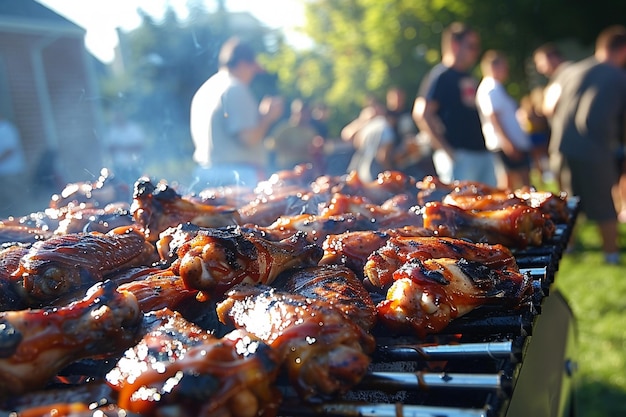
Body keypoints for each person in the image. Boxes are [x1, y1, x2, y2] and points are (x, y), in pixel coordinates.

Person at [545, 25, 626, 264]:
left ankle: (567, 247)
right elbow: (599, 119)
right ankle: (611, 254)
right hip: (593, 149)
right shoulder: (617, 76)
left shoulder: (570, 70)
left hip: (561, 146)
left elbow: (550, 106)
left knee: (568, 204)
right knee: (604, 205)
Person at [190, 37, 284, 189]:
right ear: (242, 64)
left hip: (207, 173)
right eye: (253, 69)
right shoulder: (235, 89)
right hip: (238, 177)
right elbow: (247, 138)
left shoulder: (205, 89)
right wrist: (267, 117)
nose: (253, 75)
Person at [412, 22, 497, 186]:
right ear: (454, 45)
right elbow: (421, 113)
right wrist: (447, 151)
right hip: (460, 156)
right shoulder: (441, 76)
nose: (476, 51)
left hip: (482, 153)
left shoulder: (468, 76)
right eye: (471, 46)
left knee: (491, 206)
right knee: (460, 209)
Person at [476, 50, 532, 190]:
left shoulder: (495, 87)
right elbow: (493, 116)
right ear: (493, 66)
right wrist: (508, 143)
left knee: (518, 183)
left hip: (509, 143)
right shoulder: (491, 88)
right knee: (510, 185)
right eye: (504, 66)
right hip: (507, 144)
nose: (506, 70)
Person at [386, 87, 435, 179]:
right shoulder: (387, 115)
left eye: (400, 97)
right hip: (395, 152)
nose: (399, 100)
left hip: (413, 153)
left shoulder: (408, 112)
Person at [343, 98, 395, 182]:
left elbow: (356, 143)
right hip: (376, 176)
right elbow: (383, 156)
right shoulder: (385, 127)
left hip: (358, 174)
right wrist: (391, 176)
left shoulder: (366, 128)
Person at [266, 98, 322, 172]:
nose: (304, 116)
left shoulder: (310, 131)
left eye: (306, 113)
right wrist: (291, 148)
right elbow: (270, 145)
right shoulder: (284, 129)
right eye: (302, 112)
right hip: (287, 167)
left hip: (306, 167)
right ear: (294, 112)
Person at [517, 88, 552, 184]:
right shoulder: (529, 110)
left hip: (541, 136)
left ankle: (545, 177)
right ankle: (542, 178)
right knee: (538, 159)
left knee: (543, 158)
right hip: (535, 137)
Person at [103, 110, 146, 188]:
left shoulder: (133, 128)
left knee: (137, 185)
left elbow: (140, 145)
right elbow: (110, 147)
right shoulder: (113, 130)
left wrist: (122, 147)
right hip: (119, 166)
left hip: (134, 164)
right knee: (121, 187)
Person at [0, 115, 27, 217]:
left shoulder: (6, 129)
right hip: (3, 174)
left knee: (16, 201)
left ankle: (21, 223)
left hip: (12, 174)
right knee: (5, 204)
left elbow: (9, 150)